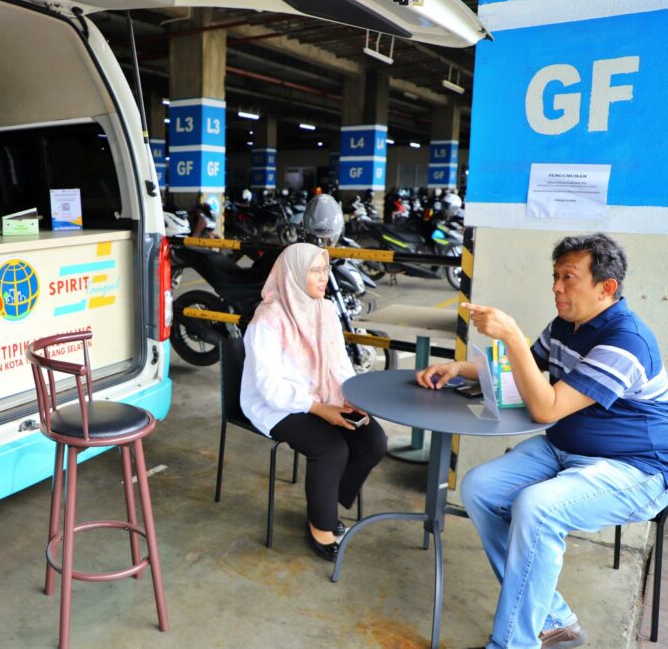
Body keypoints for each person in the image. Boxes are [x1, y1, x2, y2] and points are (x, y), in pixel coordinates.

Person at [416, 234, 668, 649]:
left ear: (606, 288)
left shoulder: (626, 341)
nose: (556, 287)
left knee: (537, 509)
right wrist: (459, 369)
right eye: (555, 276)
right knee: (479, 489)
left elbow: (546, 408)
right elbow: (525, 373)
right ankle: (553, 619)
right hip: (565, 450)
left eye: (569, 277)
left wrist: (511, 333)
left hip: (636, 467)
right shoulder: (565, 326)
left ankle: (514, 642)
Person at [241, 243, 388, 561]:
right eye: (316, 270)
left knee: (373, 440)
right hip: (276, 404)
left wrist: (351, 398)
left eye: (326, 269)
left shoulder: (324, 309)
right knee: (331, 448)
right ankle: (321, 524)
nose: (325, 277)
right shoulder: (267, 320)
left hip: (323, 393)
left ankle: (327, 499)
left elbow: (339, 363)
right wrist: (320, 408)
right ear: (293, 274)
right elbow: (269, 387)